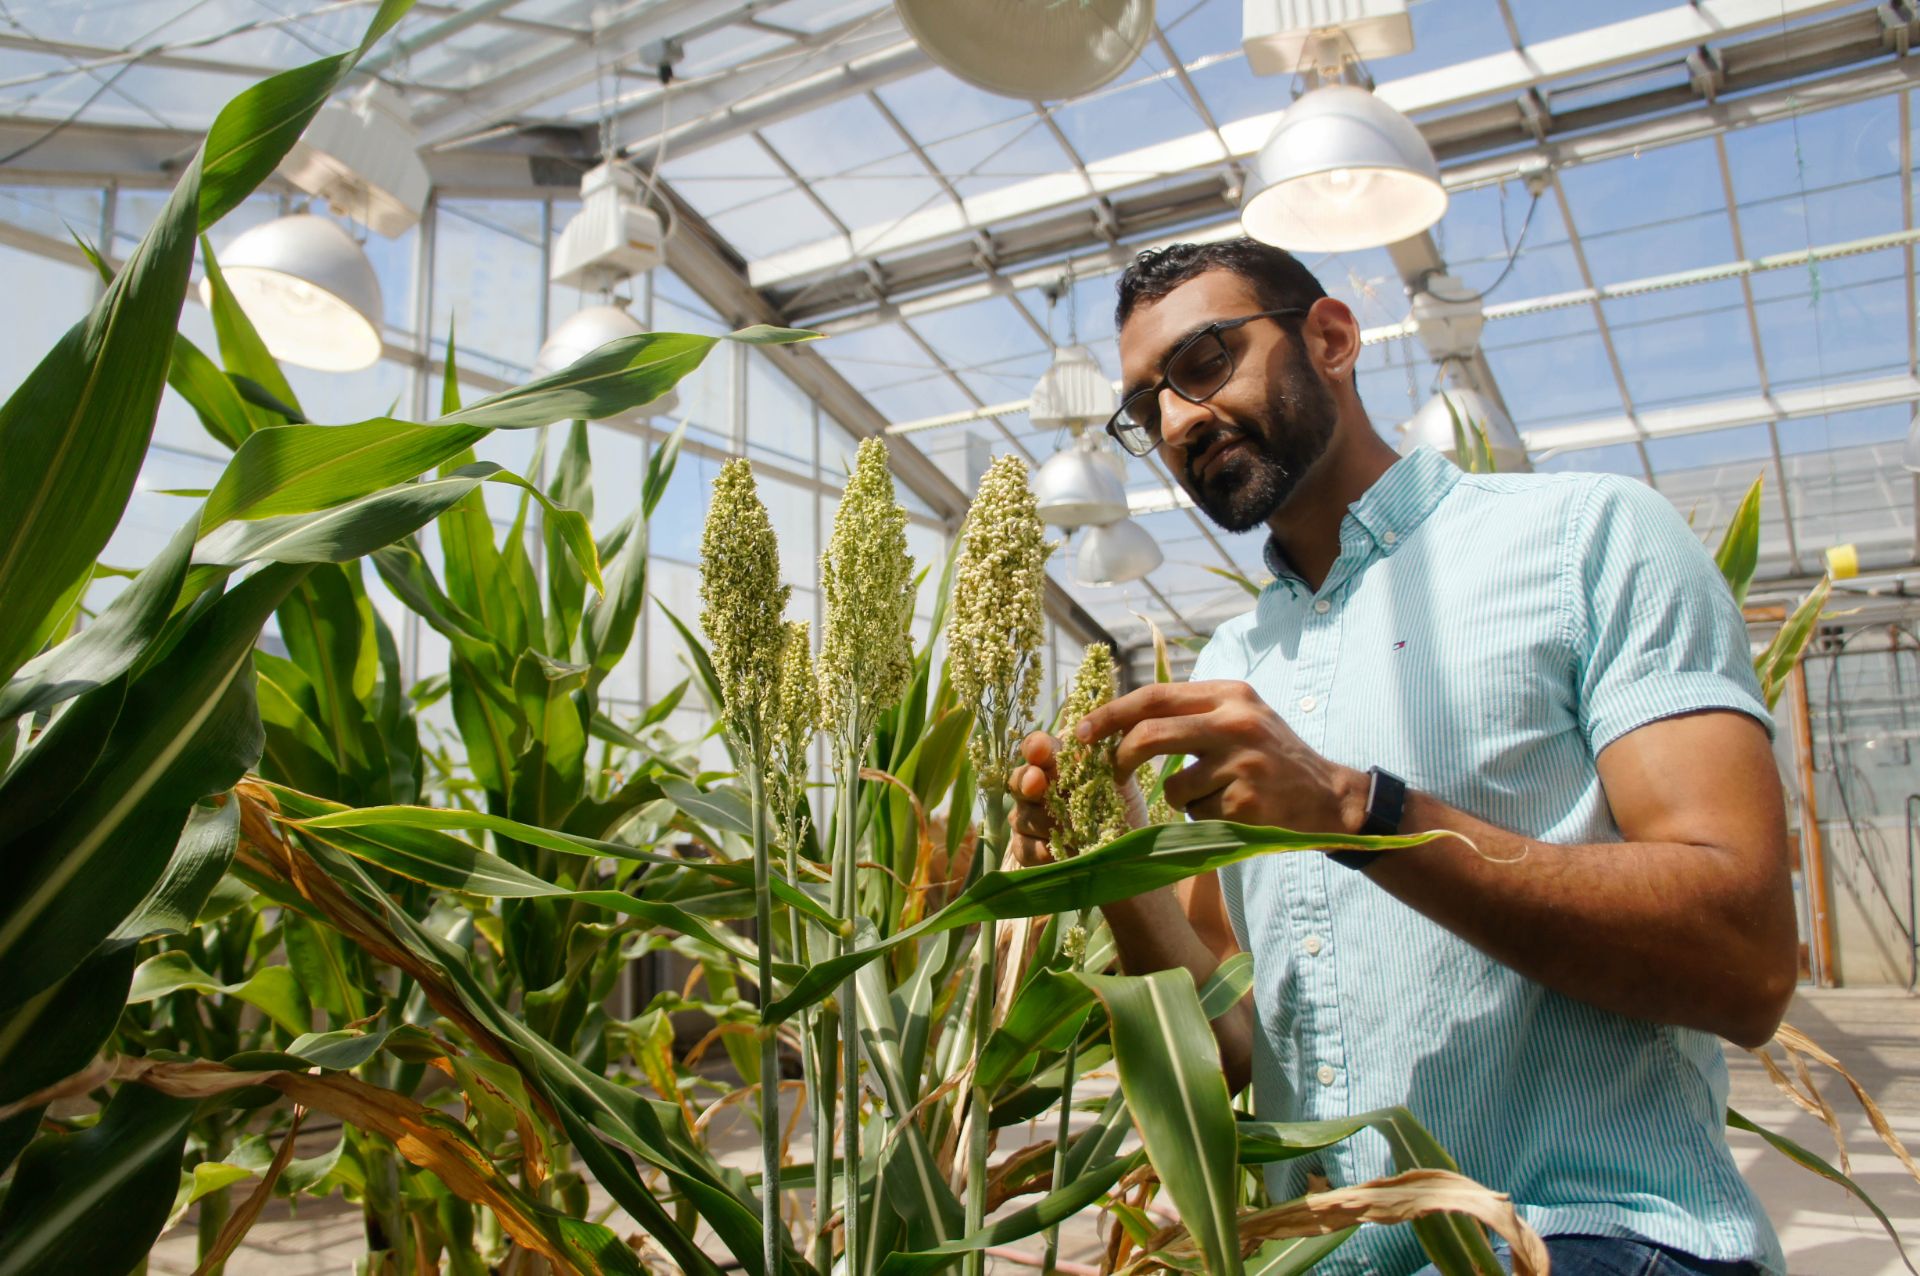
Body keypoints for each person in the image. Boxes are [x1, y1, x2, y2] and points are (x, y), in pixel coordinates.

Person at [1009, 238, 1796, 1276]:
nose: (1180, 421)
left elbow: (1746, 962)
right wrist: (1112, 870)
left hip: (1582, 1235)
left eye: (1204, 362)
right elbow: (1238, 1045)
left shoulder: (1588, 541)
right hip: (1318, 1258)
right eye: (1147, 405)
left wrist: (1356, 810)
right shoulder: (1236, 662)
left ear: (1331, 338)